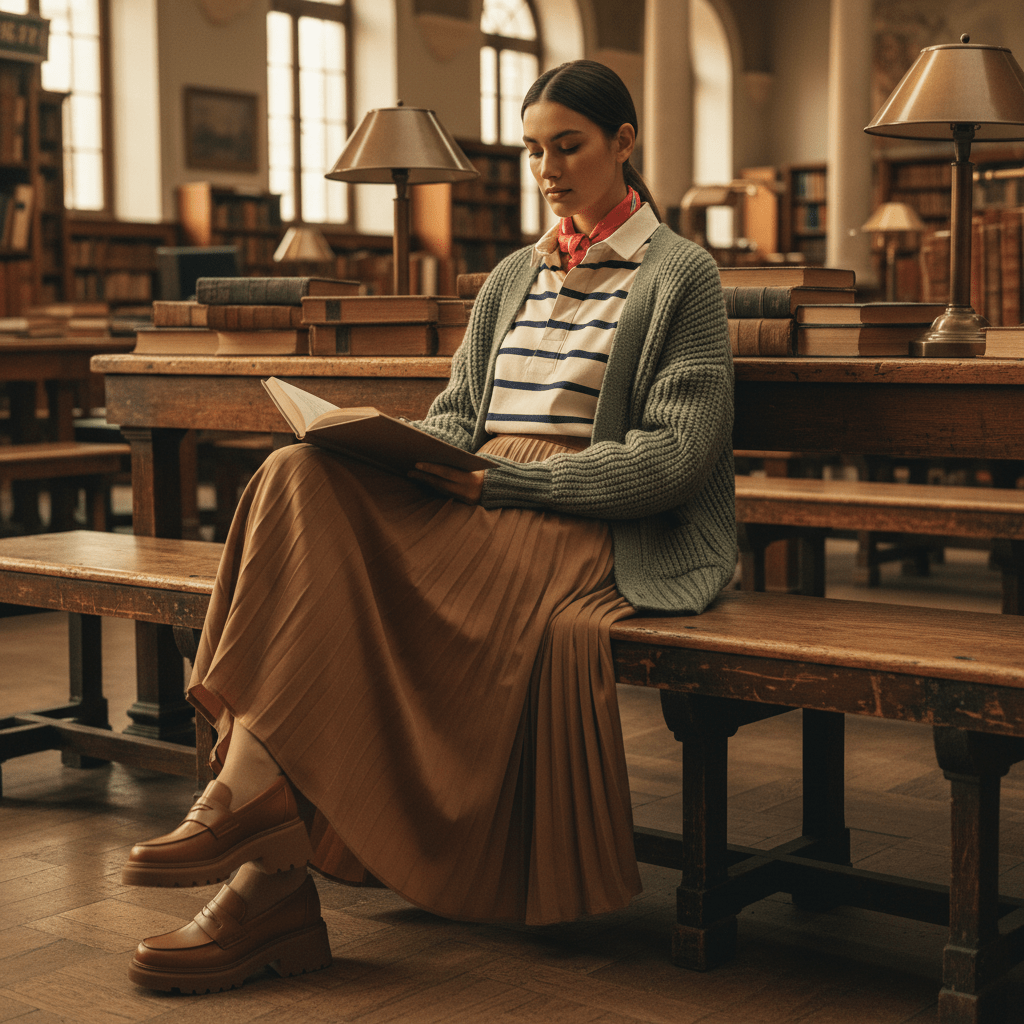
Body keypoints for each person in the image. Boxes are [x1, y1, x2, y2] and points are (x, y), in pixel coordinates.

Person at [121, 59, 736, 994]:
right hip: (478, 490)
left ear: (624, 143)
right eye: (534, 151)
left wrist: (513, 484)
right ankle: (252, 803)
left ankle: (260, 861)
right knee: (300, 472)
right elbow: (458, 418)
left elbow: (675, 458)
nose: (548, 169)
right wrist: (382, 448)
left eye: (567, 146)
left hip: (583, 513)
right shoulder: (513, 274)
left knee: (345, 597)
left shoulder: (683, 276)